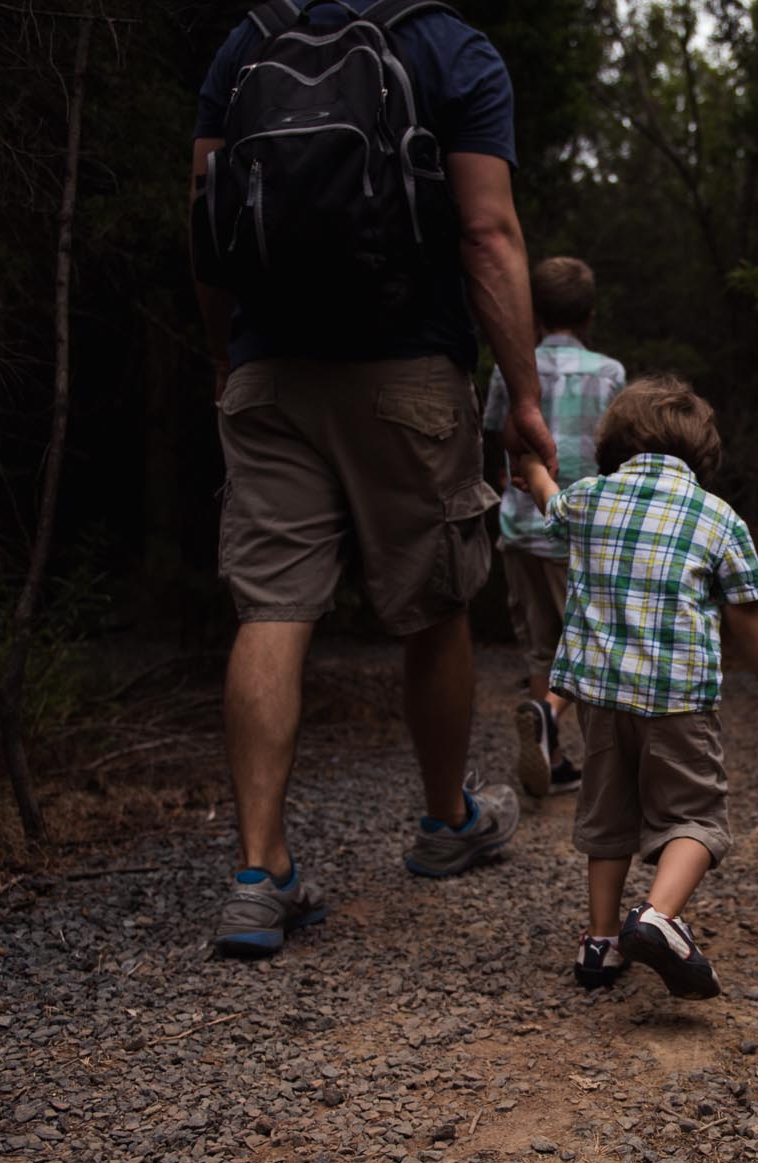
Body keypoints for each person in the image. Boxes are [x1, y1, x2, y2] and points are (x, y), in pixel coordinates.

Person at [191, 0, 558, 958]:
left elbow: (206, 221)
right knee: (435, 599)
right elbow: (488, 234)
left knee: (271, 607)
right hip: (409, 369)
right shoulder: (451, 47)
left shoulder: (248, 43)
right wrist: (523, 395)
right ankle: (445, 822)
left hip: (271, 367)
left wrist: (226, 357)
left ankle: (258, 870)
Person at [512, 376, 758, 998]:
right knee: (695, 815)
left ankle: (599, 945)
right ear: (701, 451)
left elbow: (547, 497)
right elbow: (746, 612)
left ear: (617, 441)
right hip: (678, 703)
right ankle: (656, 917)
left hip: (599, 700)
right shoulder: (717, 517)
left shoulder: (591, 498)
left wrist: (528, 461)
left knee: (609, 815)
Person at [482, 256, 627, 800]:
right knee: (593, 640)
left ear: (535, 314)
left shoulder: (507, 368)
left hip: (521, 524)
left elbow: (500, 432)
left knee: (543, 648)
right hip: (583, 532)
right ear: (588, 315)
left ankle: (553, 749)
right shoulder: (609, 373)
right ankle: (597, 758)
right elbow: (616, 451)